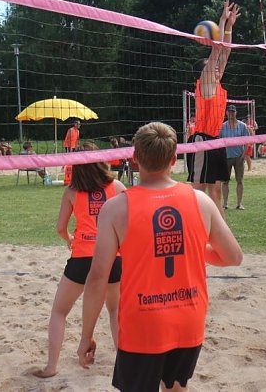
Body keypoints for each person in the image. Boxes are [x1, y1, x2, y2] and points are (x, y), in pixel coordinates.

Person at [77, 122, 243, 391]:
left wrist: (86, 335)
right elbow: (233, 257)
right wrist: (196, 250)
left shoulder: (115, 208)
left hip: (143, 322)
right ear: (175, 159)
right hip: (189, 318)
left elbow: (98, 277)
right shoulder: (200, 200)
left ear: (134, 158)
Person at [32, 142, 126, 379]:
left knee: (60, 312)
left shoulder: (72, 191)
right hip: (113, 258)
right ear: (100, 160)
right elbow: (128, 225)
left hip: (82, 257)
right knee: (115, 311)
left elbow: (60, 228)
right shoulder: (117, 186)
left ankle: (52, 366)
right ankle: (124, 365)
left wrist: (70, 239)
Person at [186, 0, 240, 217]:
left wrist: (229, 26)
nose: (219, 68)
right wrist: (220, 21)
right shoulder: (205, 83)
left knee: (216, 190)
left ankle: (219, 230)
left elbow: (225, 53)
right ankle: (193, 225)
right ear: (204, 71)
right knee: (198, 191)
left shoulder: (217, 83)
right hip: (201, 141)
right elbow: (216, 55)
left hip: (215, 140)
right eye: (213, 67)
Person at [219, 104, 250, 210]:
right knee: (225, 181)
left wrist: (244, 154)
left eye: (233, 111)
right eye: (229, 111)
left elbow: (247, 141)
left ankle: (239, 203)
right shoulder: (222, 126)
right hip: (226, 157)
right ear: (226, 113)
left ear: (235, 113)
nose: (231, 113)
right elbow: (219, 142)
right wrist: (221, 155)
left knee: (240, 181)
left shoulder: (242, 126)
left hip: (239, 157)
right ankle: (225, 204)